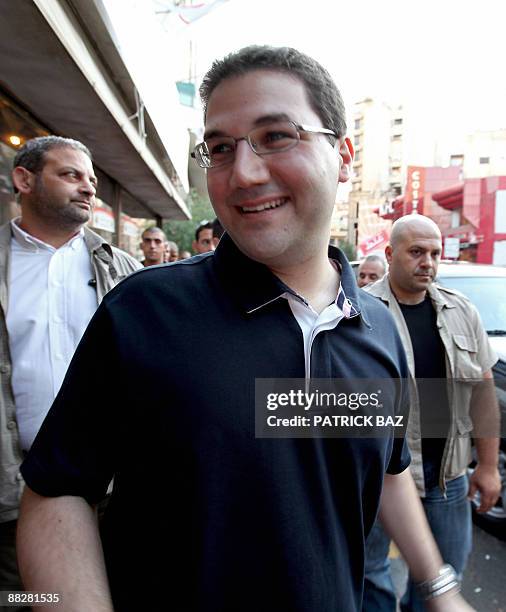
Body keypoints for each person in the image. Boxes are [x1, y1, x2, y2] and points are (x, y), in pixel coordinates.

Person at [17, 48, 472, 612]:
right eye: (220, 149)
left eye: (277, 136)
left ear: (344, 155)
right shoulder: (145, 311)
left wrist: (439, 589)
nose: (244, 173)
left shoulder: (374, 325)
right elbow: (59, 488)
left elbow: (386, 467)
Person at [0, 136, 141, 605]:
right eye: (71, 175)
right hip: (9, 494)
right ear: (24, 179)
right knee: (20, 602)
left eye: (93, 180)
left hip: (107, 493)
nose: (88, 188)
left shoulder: (126, 273)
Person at [363, 214, 500, 611]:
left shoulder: (461, 311)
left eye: (435, 253)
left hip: (447, 476)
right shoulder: (360, 313)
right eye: (416, 252)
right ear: (390, 254)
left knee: (444, 576)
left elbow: (483, 391)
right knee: (370, 574)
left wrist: (488, 466)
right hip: (379, 478)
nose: (428, 262)